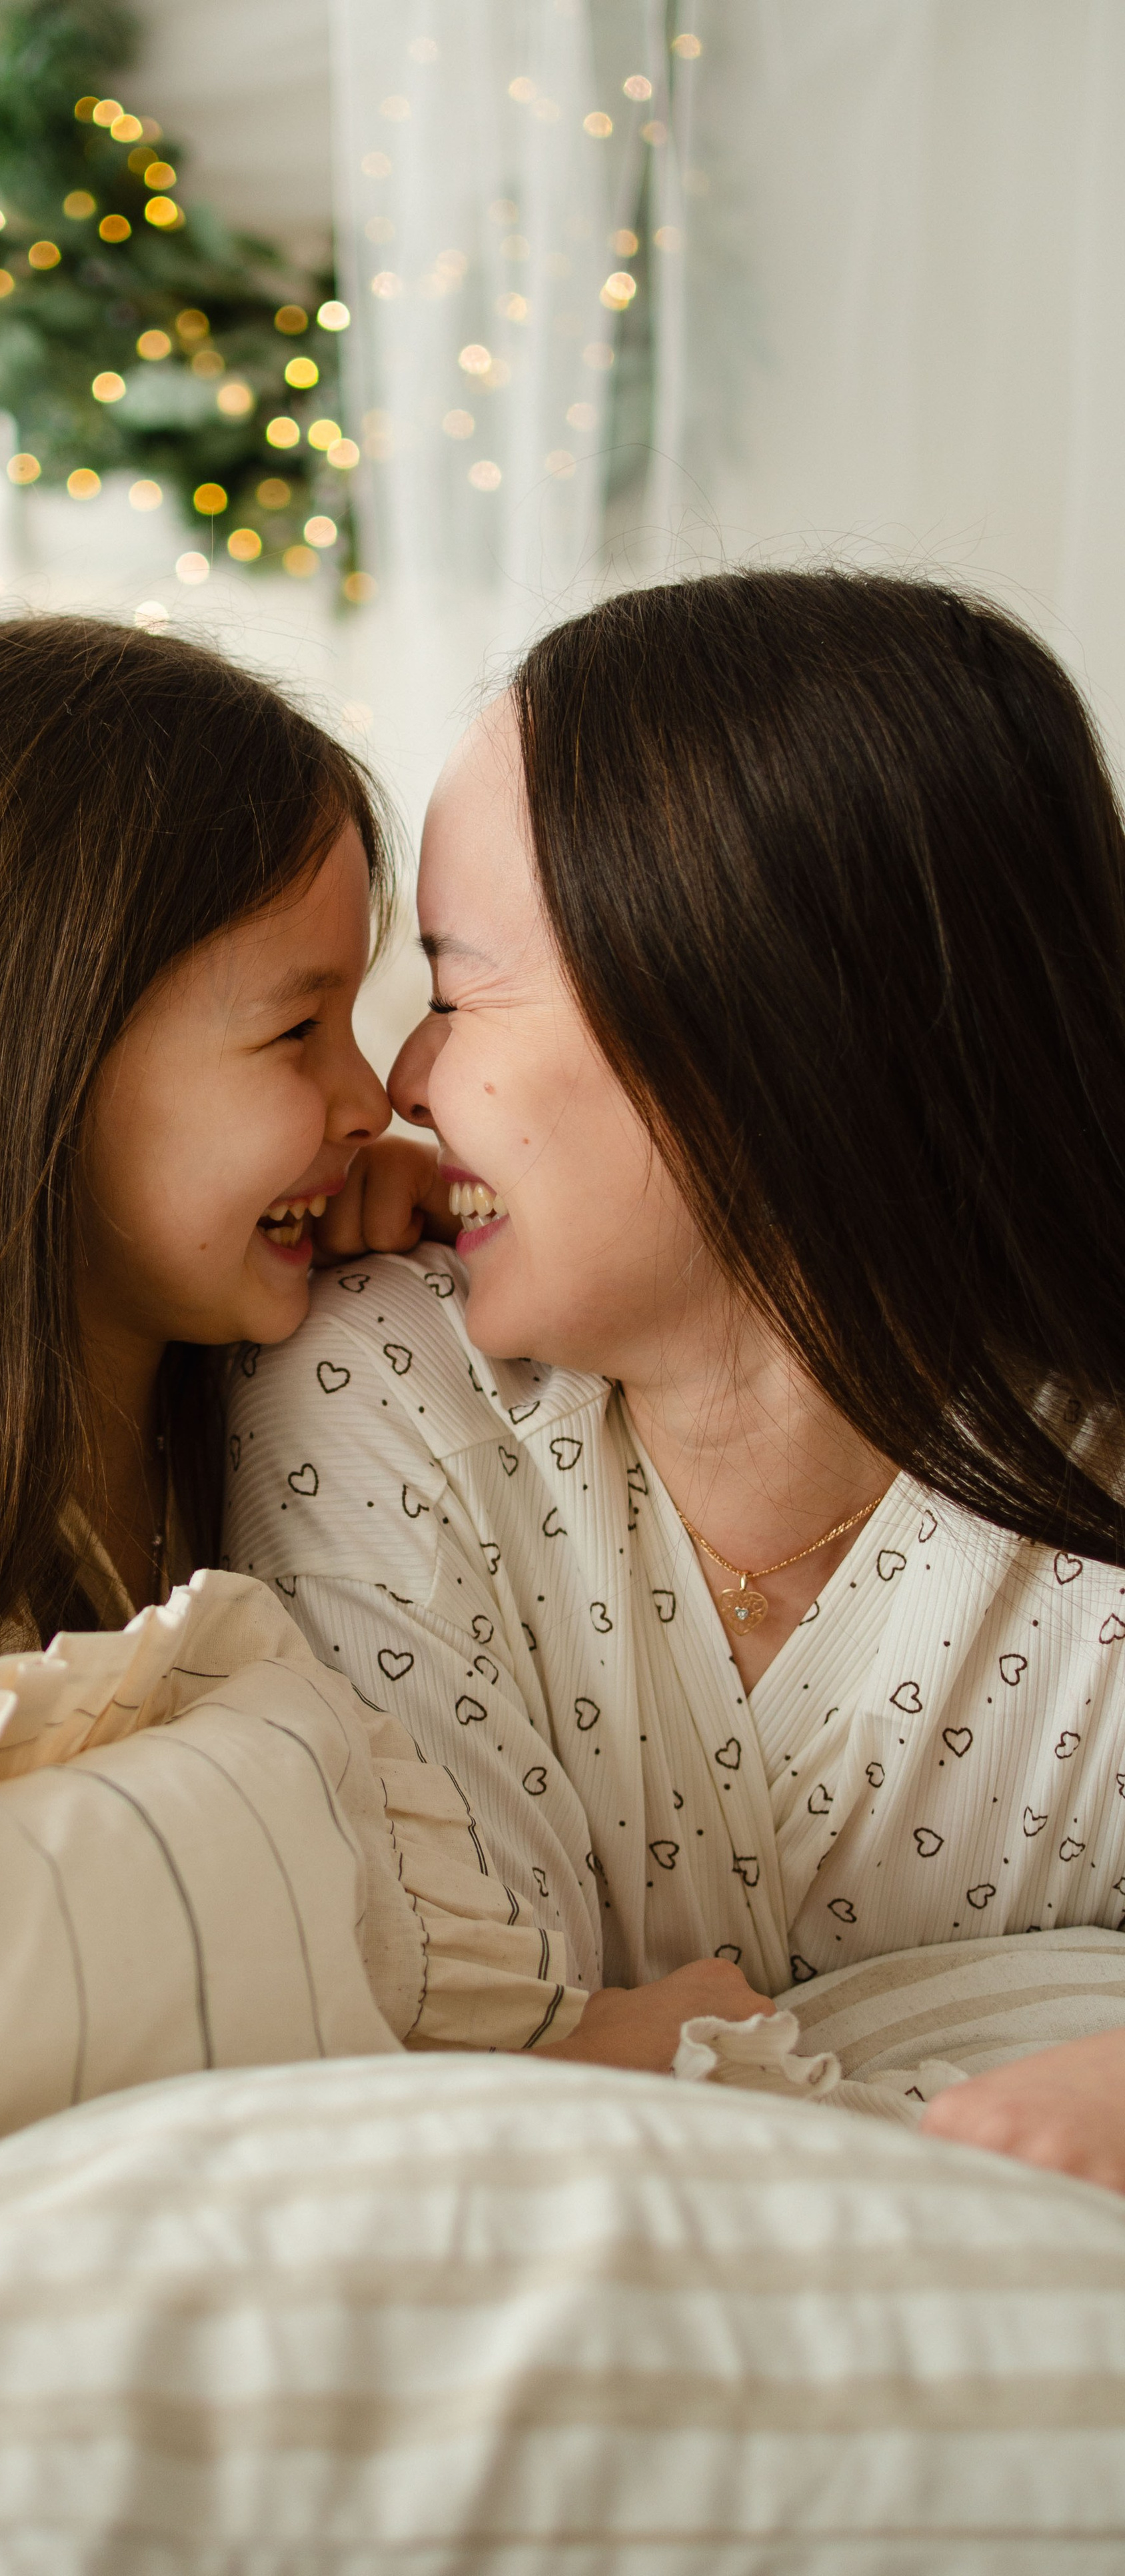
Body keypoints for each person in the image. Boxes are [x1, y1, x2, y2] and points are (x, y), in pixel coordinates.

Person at [0, 608, 692, 2063]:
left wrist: (398, 1205)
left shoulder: (215, 1368)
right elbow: (20, 2014)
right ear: (1, 1067)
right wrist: (565, 2051)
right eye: (296, 1035)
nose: (373, 1099)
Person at [226, 568, 1125, 2185]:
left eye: (451, 983)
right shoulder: (377, 1392)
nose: (405, 1082)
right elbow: (472, 2056)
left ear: (740, 1008)